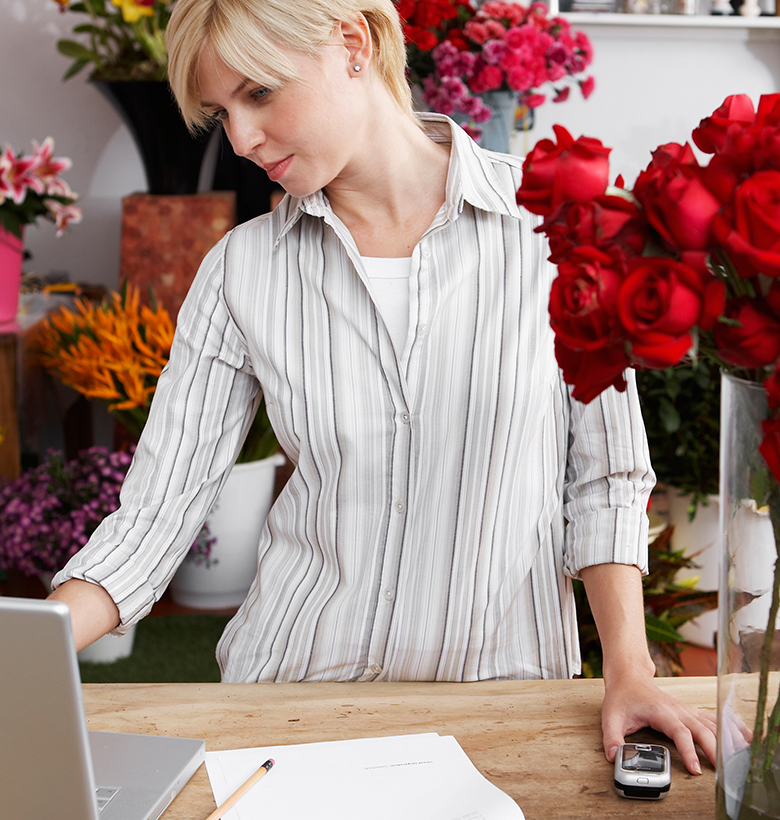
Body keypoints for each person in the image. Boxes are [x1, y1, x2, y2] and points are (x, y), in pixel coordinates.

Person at [48, 0, 717, 774]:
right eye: (219, 112)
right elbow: (157, 514)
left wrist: (628, 670)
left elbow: (605, 479)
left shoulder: (553, 230)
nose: (240, 139)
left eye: (259, 93)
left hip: (500, 704)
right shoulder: (243, 269)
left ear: (352, 41)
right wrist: (18, 655)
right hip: (288, 704)